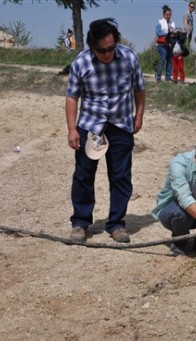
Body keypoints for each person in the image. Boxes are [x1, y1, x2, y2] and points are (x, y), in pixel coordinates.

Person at [66, 18, 146, 243]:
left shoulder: (129, 58)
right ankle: (80, 222)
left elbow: (139, 89)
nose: (107, 54)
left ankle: (117, 224)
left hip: (121, 125)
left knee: (121, 176)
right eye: (101, 50)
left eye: (111, 48)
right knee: (83, 175)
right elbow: (72, 97)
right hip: (90, 125)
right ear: (92, 47)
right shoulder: (81, 63)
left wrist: (138, 116)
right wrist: (72, 129)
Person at [155, 4, 175, 82]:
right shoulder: (160, 22)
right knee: (162, 59)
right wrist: (166, 33)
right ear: (164, 14)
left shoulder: (172, 23)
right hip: (161, 45)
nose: (168, 16)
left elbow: (173, 32)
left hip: (169, 44)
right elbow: (158, 32)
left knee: (169, 60)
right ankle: (158, 76)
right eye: (167, 14)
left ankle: (168, 77)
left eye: (169, 14)